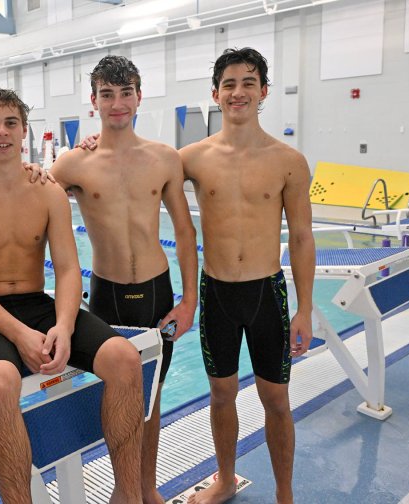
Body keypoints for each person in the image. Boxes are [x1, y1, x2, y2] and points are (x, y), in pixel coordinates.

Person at [0, 88, 146, 503]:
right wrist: (19, 335)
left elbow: (68, 269)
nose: (2, 132)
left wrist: (64, 327)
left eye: (10, 122)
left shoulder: (48, 191)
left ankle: (127, 495)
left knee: (124, 359)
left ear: (24, 130)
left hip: (39, 304)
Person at [51, 55, 199, 504]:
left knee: (151, 401)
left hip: (156, 292)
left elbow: (185, 231)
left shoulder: (165, 158)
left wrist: (189, 300)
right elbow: (23, 199)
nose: (117, 103)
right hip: (107, 295)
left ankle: (144, 488)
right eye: (107, 94)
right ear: (93, 101)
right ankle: (122, 489)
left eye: (125, 93)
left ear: (139, 96)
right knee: (115, 404)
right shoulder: (73, 163)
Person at [181, 47, 315, 504]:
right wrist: (90, 145)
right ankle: (224, 479)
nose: (239, 92)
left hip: (267, 294)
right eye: (230, 84)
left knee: (275, 399)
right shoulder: (192, 158)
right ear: (215, 93)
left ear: (264, 92)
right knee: (221, 395)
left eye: (249, 83)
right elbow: (135, 170)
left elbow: (301, 237)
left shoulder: (288, 160)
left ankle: (284, 493)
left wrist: (305, 309)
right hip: (215, 292)